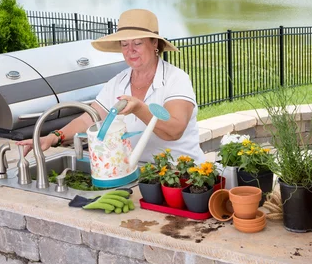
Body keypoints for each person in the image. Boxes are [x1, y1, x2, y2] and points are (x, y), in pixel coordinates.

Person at [17, 8, 206, 164]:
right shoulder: (117, 83)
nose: (130, 51)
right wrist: (53, 137)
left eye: (137, 43)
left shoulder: (176, 79)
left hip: (181, 175)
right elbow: (87, 120)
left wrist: (139, 108)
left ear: (154, 43)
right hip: (137, 172)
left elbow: (174, 130)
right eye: (124, 44)